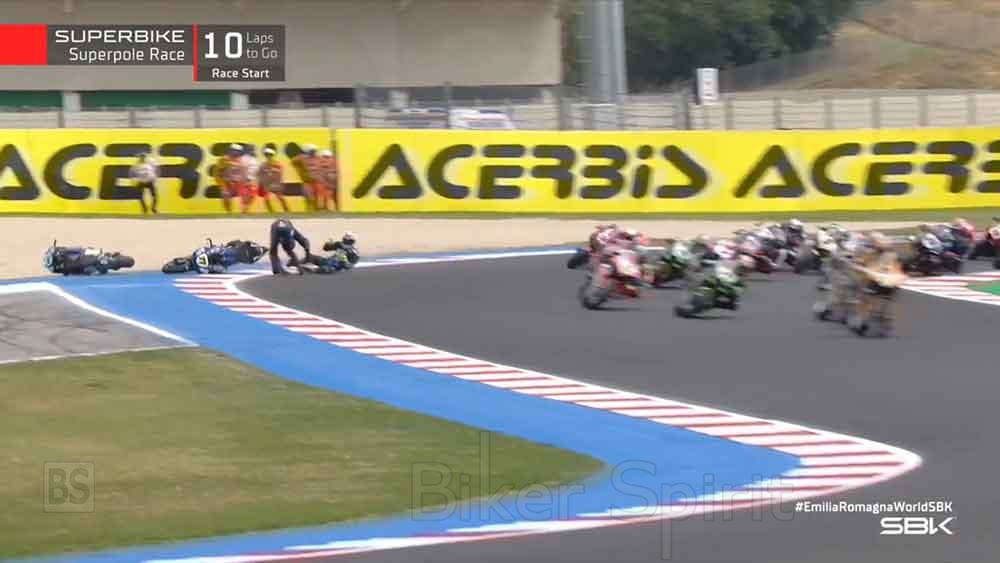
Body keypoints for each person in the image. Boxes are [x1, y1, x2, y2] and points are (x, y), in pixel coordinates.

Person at [215, 144, 246, 213]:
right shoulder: (224, 159)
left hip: (239, 183)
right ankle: (229, 212)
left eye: (238, 151)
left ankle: (244, 211)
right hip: (227, 182)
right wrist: (222, 185)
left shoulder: (241, 160)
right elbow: (218, 173)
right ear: (230, 151)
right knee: (226, 195)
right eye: (234, 151)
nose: (236, 152)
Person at [257, 147, 289, 213]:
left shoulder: (277, 164)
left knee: (280, 198)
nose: (268, 156)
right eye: (267, 155)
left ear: (272, 155)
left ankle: (287, 211)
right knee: (266, 199)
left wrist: (277, 182)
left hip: (276, 184)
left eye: (270, 155)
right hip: (267, 185)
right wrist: (262, 183)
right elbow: (259, 174)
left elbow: (280, 174)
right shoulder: (263, 165)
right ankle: (271, 212)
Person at [292, 144, 321, 211]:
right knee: (309, 199)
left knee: (316, 200)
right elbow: (293, 161)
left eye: (314, 151)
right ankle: (309, 212)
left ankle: (316, 213)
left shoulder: (316, 158)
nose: (314, 153)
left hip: (316, 182)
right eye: (312, 151)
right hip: (306, 182)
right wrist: (302, 156)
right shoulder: (301, 158)